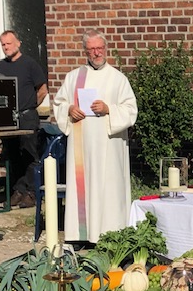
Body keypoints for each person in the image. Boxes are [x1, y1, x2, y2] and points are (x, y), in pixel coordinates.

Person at [52, 29, 138, 244]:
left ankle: (111, 235)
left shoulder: (118, 78)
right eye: (91, 49)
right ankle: (81, 235)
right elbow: (59, 103)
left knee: (108, 188)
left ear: (105, 48)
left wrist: (109, 108)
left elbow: (131, 109)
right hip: (82, 147)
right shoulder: (74, 77)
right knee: (83, 187)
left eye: (99, 48)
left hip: (109, 146)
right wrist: (70, 109)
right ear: (85, 51)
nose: (96, 53)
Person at [0, 30, 48, 208]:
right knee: (12, 155)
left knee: (30, 155)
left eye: (9, 43)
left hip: (27, 117)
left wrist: (31, 105)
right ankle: (18, 190)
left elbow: (42, 90)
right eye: (3, 44)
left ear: (18, 43)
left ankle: (32, 192)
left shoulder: (30, 64)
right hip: (7, 119)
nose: (6, 47)